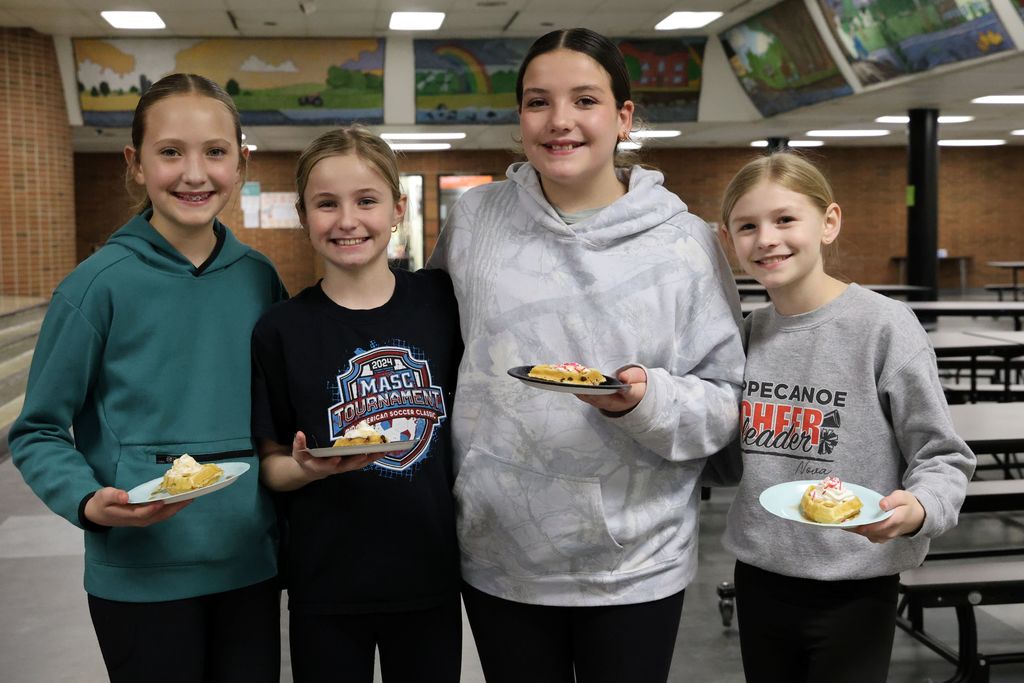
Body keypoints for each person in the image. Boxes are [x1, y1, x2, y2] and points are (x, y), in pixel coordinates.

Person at [428, 28, 745, 683]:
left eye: (585, 100)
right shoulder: (474, 222)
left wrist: (646, 399)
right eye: (538, 102)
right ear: (519, 118)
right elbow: (434, 352)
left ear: (624, 117)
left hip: (634, 561)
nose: (560, 121)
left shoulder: (685, 244)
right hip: (497, 548)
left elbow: (724, 399)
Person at [7, 73, 286, 682]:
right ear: (135, 164)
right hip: (141, 575)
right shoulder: (96, 286)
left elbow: (278, 415)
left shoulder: (260, 280)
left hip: (250, 565)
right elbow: (38, 430)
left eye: (215, 152)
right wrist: (86, 499)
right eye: (170, 152)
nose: (194, 173)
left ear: (240, 162)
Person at [719, 152, 975, 683]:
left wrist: (921, 508)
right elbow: (723, 457)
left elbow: (943, 455)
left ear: (828, 223)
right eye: (748, 226)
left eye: (785, 219)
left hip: (855, 581)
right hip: (761, 574)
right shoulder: (746, 334)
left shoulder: (883, 327)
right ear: (730, 241)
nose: (767, 238)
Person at [250, 126, 463, 683]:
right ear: (303, 215)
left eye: (366, 200)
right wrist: (303, 469)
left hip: (431, 572)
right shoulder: (281, 330)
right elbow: (270, 465)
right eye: (327, 204)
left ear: (397, 208)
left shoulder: (442, 303)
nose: (347, 220)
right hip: (327, 582)